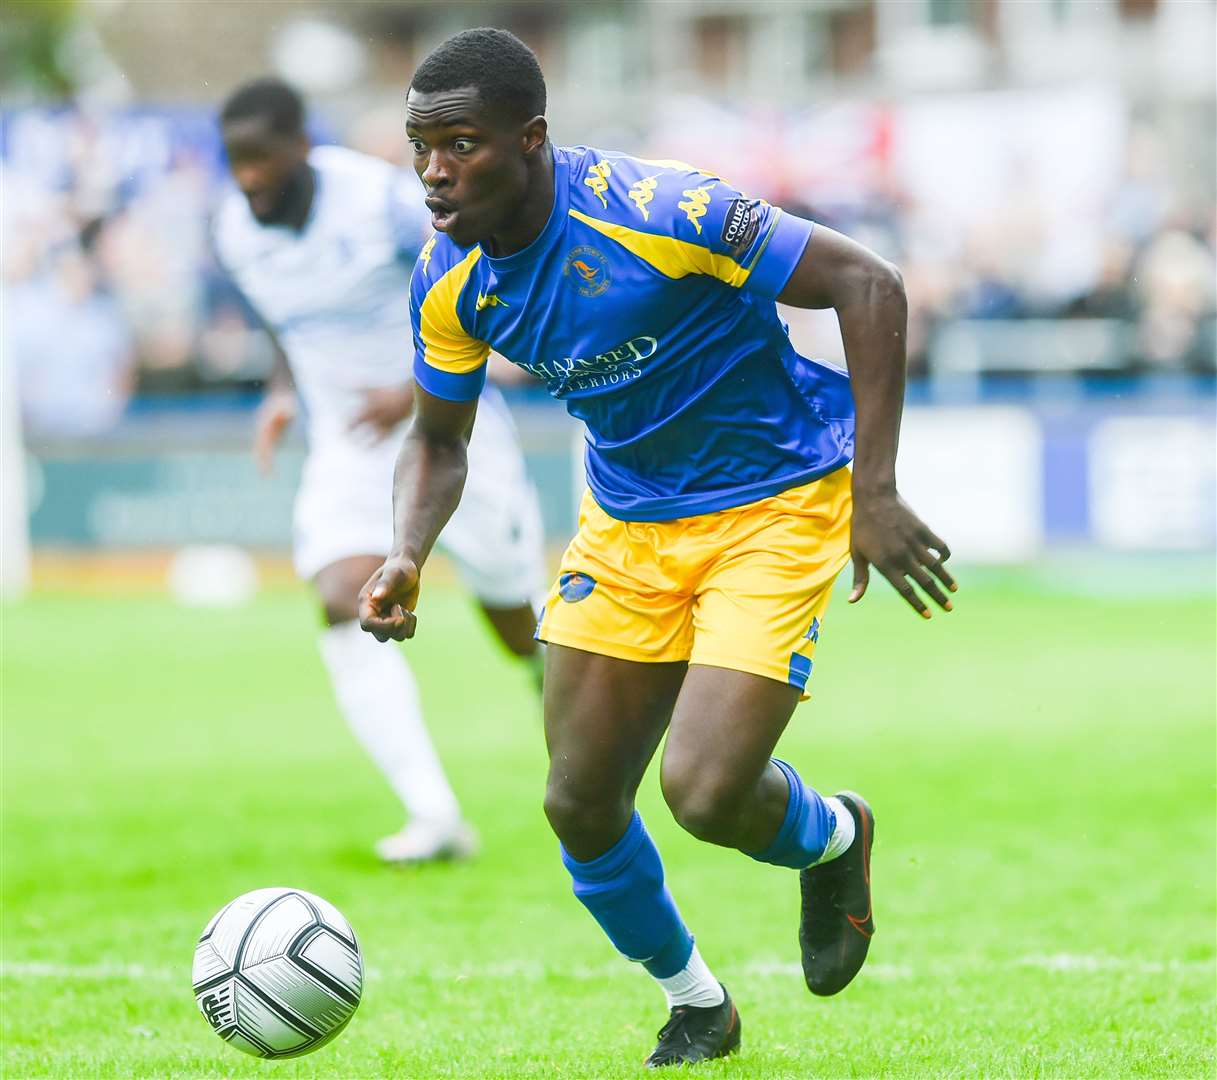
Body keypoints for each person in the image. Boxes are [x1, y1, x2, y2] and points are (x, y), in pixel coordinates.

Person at [359, 28, 956, 1066]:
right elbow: (437, 441)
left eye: (459, 143)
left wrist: (875, 490)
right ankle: (697, 1005)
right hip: (627, 523)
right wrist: (407, 551)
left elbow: (868, 284)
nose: (433, 171)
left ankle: (836, 837)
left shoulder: (658, 209)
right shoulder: (447, 279)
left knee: (705, 795)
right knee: (577, 802)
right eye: (421, 146)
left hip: (771, 505)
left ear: (530, 140)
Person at [212, 78, 547, 865]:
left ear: (301, 148)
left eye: (261, 160)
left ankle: (559, 692)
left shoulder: (379, 203)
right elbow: (282, 324)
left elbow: (487, 280)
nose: (248, 178)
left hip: (450, 432)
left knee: (515, 625)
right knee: (340, 596)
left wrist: (415, 389)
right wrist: (281, 391)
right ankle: (433, 816)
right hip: (348, 450)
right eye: (235, 162)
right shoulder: (234, 228)